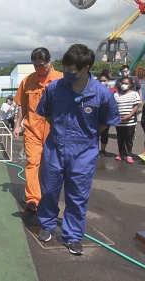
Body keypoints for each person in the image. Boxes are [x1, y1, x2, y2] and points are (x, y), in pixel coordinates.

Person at [35, 44, 120, 255]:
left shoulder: (101, 94)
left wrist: (88, 135)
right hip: (55, 147)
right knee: (49, 190)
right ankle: (47, 225)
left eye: (71, 70)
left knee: (78, 195)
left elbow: (107, 120)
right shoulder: (55, 88)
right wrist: (61, 132)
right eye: (65, 68)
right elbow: (45, 113)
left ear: (85, 68)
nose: (66, 73)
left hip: (84, 150)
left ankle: (73, 236)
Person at [12, 47, 63, 212]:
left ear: (49, 62)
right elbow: (23, 107)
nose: (38, 69)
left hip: (54, 131)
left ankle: (48, 197)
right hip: (32, 129)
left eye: (41, 65)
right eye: (35, 66)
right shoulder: (27, 81)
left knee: (50, 166)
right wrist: (17, 125)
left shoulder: (61, 80)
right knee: (33, 162)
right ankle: (33, 199)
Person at [114, 76, 140, 163]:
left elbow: (136, 106)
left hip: (130, 122)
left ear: (130, 84)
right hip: (119, 121)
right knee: (120, 138)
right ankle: (120, 154)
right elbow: (113, 107)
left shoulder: (134, 94)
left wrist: (129, 116)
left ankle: (128, 155)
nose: (124, 85)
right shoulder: (116, 95)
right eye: (122, 83)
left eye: (126, 83)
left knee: (128, 138)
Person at [98, 73, 117, 157]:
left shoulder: (113, 91)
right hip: (96, 115)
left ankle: (102, 150)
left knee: (104, 133)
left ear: (108, 81)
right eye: (101, 80)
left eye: (104, 81)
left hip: (106, 115)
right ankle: (94, 149)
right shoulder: (95, 90)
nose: (102, 82)